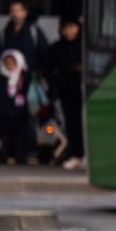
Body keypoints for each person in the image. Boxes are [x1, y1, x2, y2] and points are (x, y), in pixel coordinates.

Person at [48, 18, 85, 169]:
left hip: (84, 92)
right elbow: (47, 68)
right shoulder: (56, 48)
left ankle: (85, 155)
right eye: (66, 28)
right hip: (65, 92)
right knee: (71, 125)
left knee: (84, 124)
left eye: (72, 27)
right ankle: (75, 154)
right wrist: (56, 81)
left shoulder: (84, 47)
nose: (69, 32)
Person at [0, 49, 31, 165]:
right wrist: (1, 108)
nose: (10, 66)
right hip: (6, 111)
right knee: (6, 135)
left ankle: (20, 156)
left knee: (20, 135)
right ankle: (5, 155)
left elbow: (27, 93)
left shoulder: (24, 77)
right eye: (7, 63)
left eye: (12, 63)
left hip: (20, 111)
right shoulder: (2, 78)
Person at [0, 1, 49, 73]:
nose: (15, 14)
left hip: (29, 76)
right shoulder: (3, 33)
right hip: (8, 76)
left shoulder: (34, 31)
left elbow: (45, 53)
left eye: (18, 10)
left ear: (25, 13)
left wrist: (38, 72)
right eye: (12, 11)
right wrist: (3, 68)